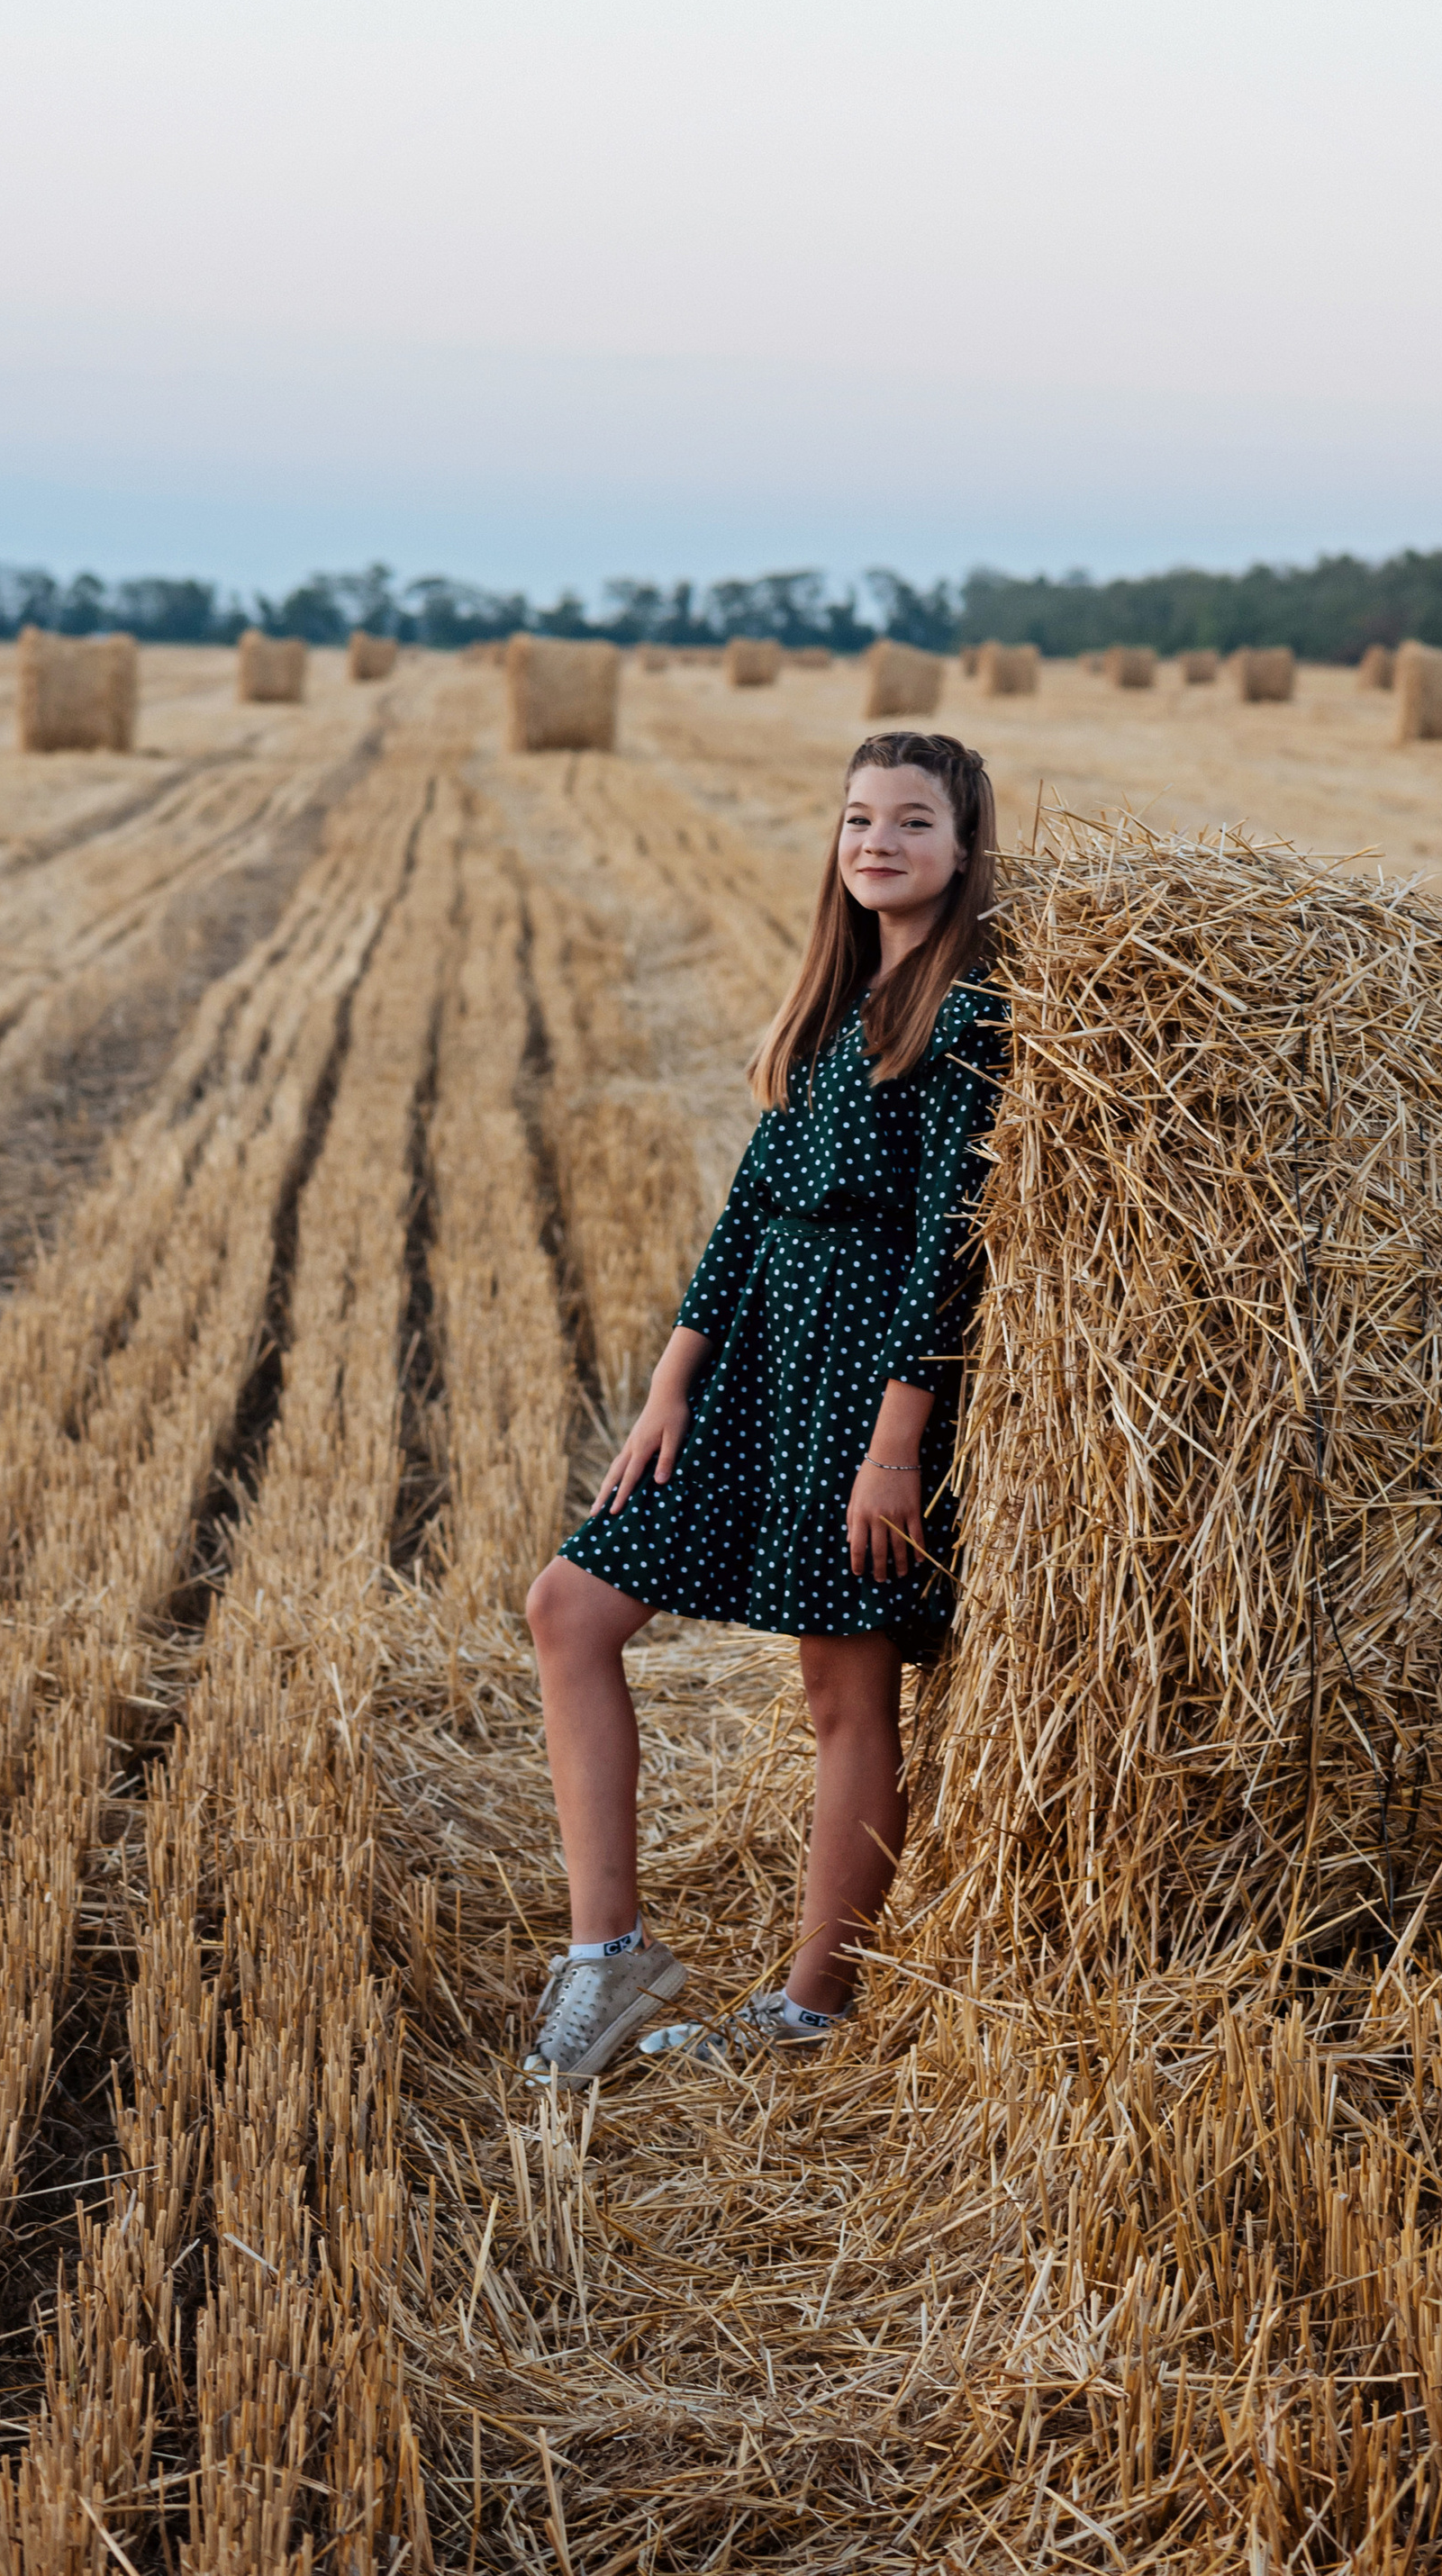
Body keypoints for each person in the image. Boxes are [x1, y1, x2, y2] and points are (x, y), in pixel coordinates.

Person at [521, 728, 1005, 2082]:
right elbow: (745, 1212)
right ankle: (607, 1956)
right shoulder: (833, 1008)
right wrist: (674, 1382)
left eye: (913, 820)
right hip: (759, 1367)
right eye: (859, 817)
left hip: (866, 1384)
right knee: (571, 1603)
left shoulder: (964, 1014)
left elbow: (946, 1238)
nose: (878, 841)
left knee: (843, 1688)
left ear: (965, 848)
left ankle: (810, 2003)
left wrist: (897, 1440)